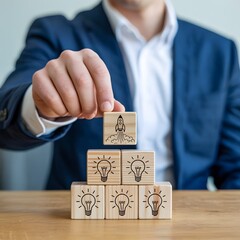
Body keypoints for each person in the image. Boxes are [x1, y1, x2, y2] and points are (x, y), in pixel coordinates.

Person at [0, 0, 239, 190]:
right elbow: (5, 119)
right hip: (83, 224)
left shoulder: (220, 52)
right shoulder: (56, 34)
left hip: (189, 224)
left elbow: (235, 167)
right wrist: (39, 105)